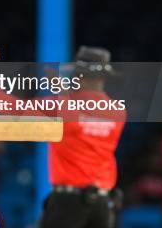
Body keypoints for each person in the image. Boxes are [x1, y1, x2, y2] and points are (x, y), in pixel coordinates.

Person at [39, 46, 126, 228]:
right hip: (101, 202)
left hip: (68, 201)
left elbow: (12, 108)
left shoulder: (62, 104)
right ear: (103, 77)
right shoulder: (118, 111)